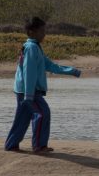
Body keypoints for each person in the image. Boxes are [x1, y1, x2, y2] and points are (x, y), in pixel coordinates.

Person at [4, 16, 81, 154]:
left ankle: (11, 145)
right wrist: (29, 95)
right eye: (41, 31)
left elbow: (50, 65)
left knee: (22, 118)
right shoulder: (32, 48)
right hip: (29, 91)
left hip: (24, 90)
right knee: (42, 113)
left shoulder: (35, 47)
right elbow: (29, 72)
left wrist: (71, 71)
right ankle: (39, 146)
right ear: (32, 32)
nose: (44, 34)